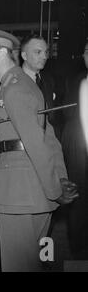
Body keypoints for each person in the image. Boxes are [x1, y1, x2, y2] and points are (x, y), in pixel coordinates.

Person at [0, 28, 78, 272]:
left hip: (19, 194)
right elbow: (49, 136)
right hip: (31, 192)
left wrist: (55, 189)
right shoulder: (23, 84)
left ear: (1, 53)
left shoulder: (14, 88)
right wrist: (59, 179)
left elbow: (35, 141)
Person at [62, 41, 88, 259]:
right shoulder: (76, 81)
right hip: (78, 153)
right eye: (87, 51)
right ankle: (78, 249)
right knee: (78, 199)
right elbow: (67, 117)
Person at [20, 34, 63, 139]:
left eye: (46, 52)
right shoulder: (14, 81)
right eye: (38, 52)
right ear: (24, 56)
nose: (44, 57)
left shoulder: (50, 80)